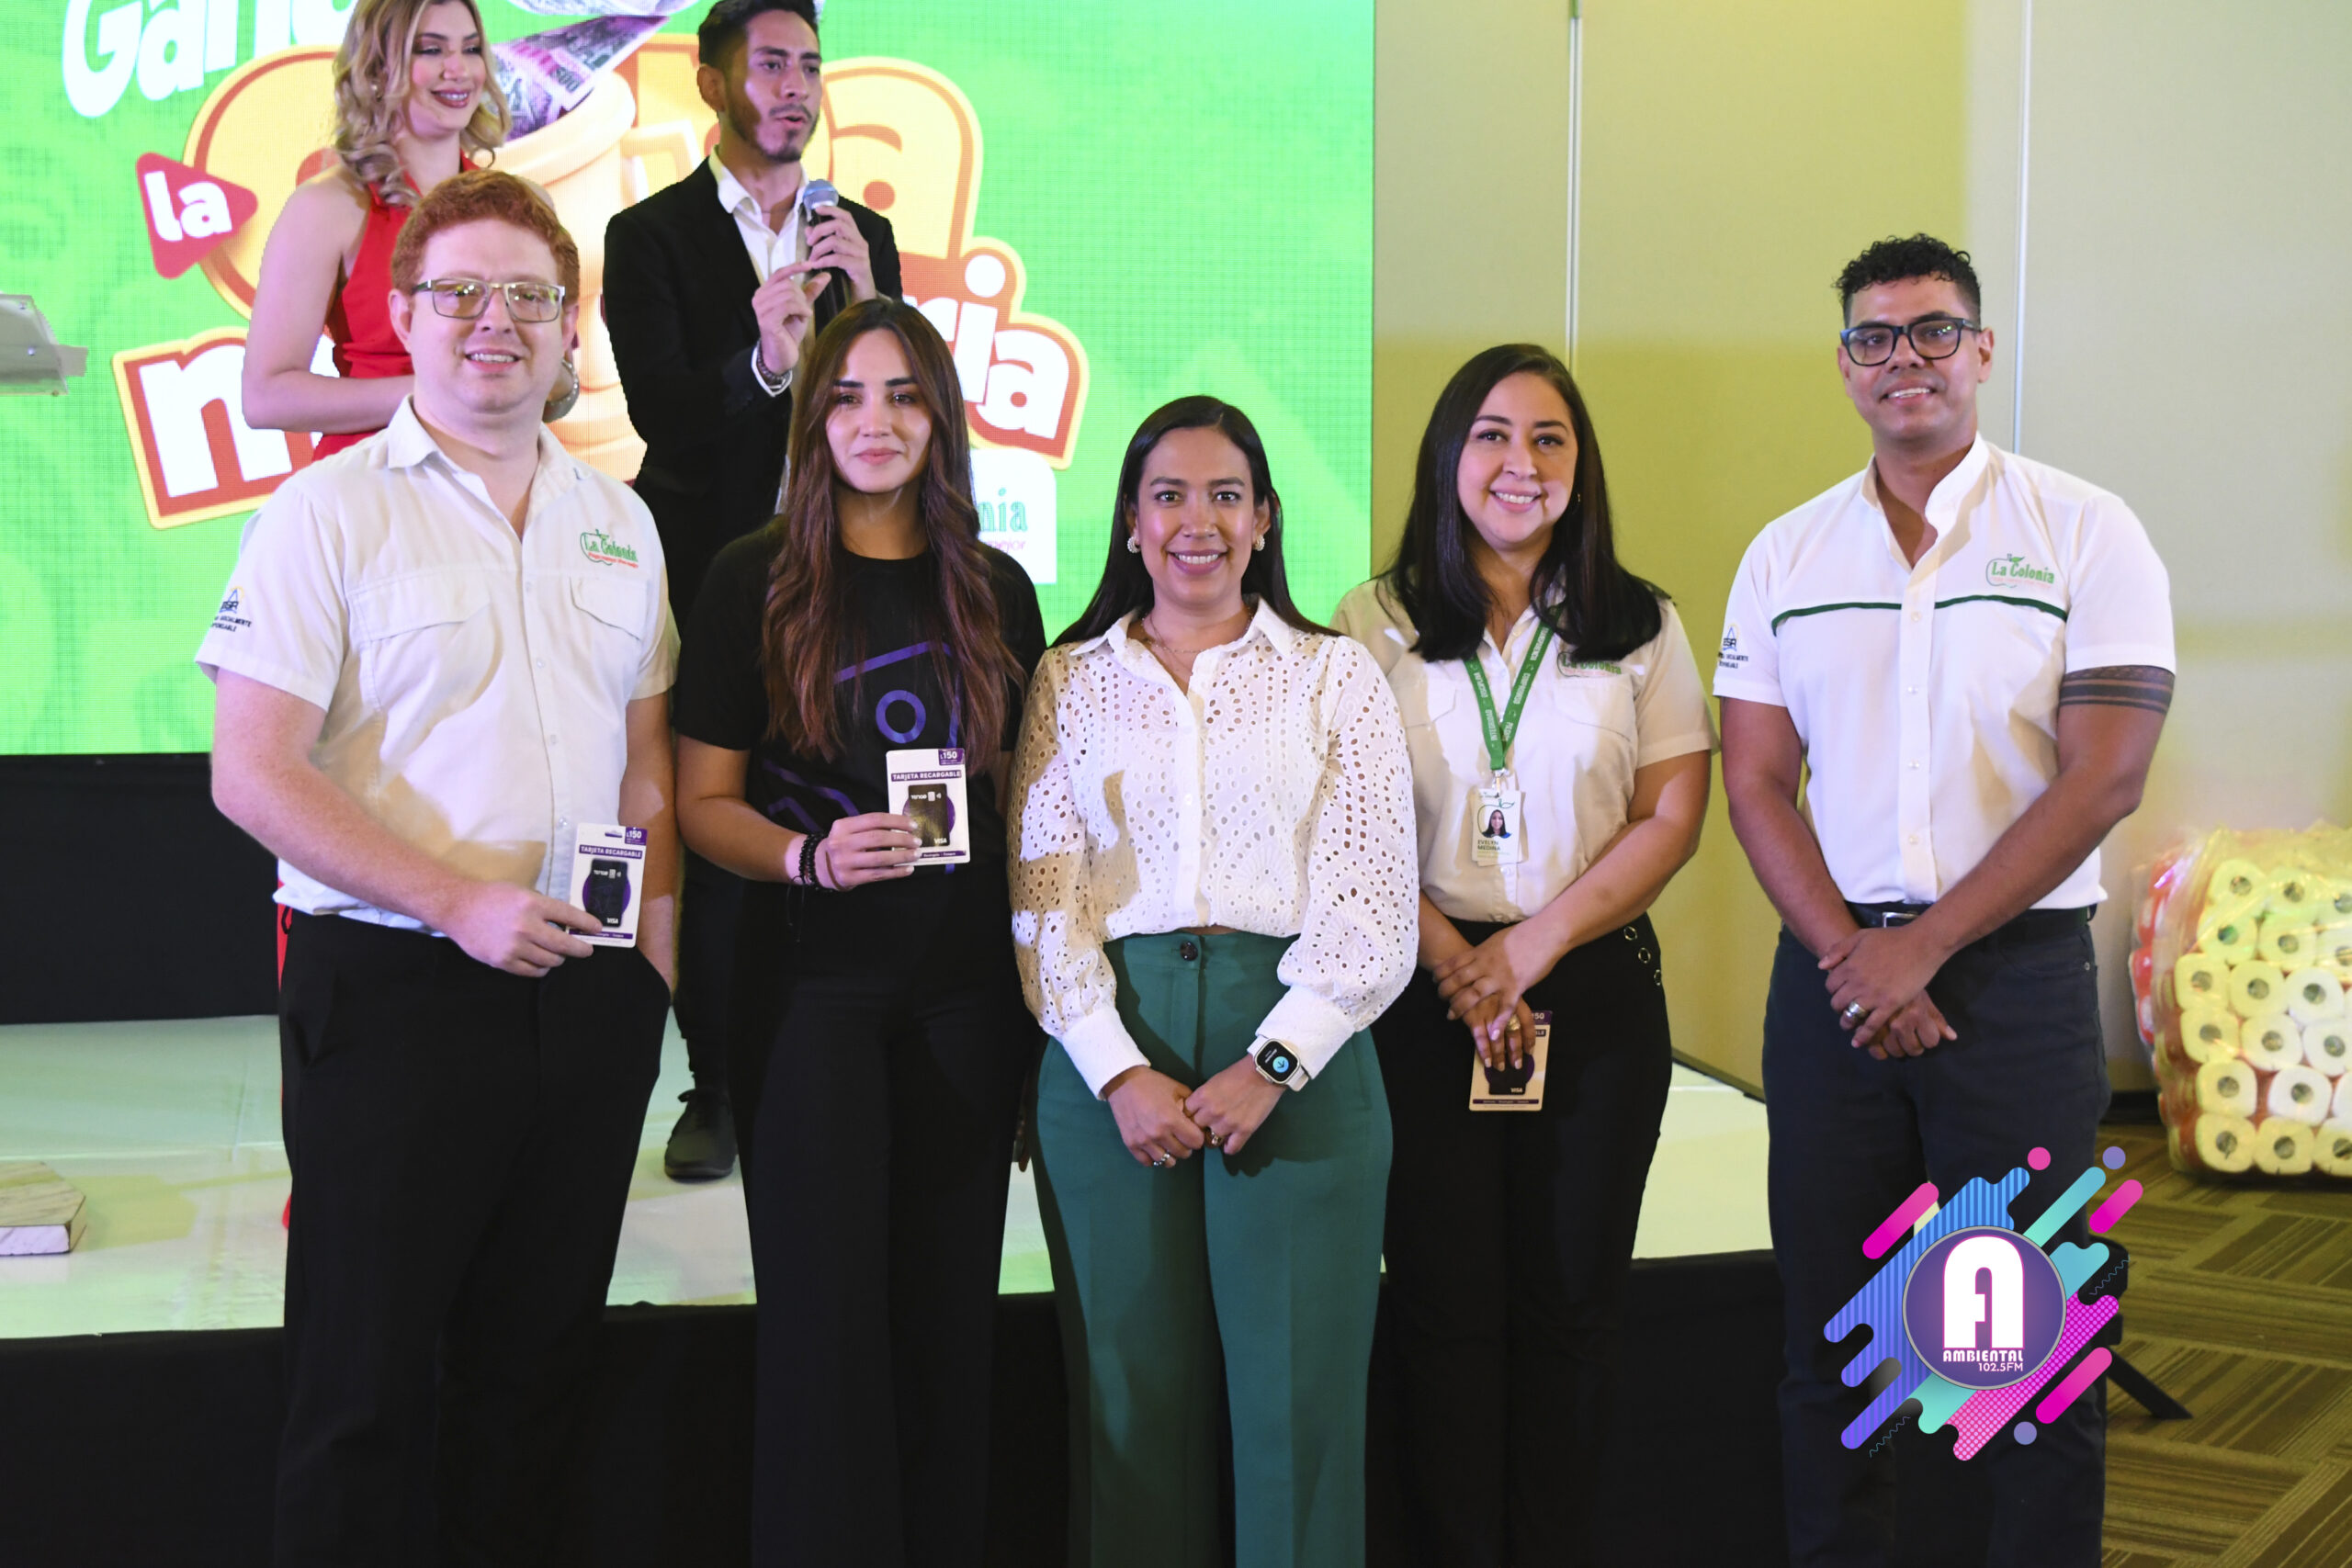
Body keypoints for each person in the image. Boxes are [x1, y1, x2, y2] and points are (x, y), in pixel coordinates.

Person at [200, 170, 678, 1564]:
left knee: (532, 1384)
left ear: (570, 325)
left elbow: (645, 757)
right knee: (360, 1390)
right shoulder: (325, 513)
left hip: (584, 999)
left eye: (529, 295)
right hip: (395, 993)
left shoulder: (620, 520)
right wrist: (455, 901)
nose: (495, 321)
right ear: (402, 314)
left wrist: (648, 966)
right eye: (460, 291)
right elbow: (251, 771)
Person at [1714, 234, 2174, 1566]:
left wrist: (1920, 948)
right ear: (1844, 364)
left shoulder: (2084, 528)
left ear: (1981, 351)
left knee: (2017, 1348)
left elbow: (2105, 775)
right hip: (1834, 984)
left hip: (2010, 985)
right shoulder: (1788, 552)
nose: (1902, 357)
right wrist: (1857, 956)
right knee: (1833, 1337)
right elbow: (1756, 782)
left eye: (1931, 331)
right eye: (1874, 336)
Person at [1008, 396, 1419, 1568]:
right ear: (1131, 523)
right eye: (1170, 496)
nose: (1199, 521)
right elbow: (1043, 898)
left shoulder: (1334, 675)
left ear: (1265, 518)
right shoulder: (1068, 678)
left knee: (1299, 1413)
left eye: (1226, 495)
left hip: (1298, 1050)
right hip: (1109, 1054)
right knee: (1129, 1412)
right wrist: (1116, 1072)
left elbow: (1375, 903)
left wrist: (1272, 1062)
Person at [672, 297, 1043, 1567]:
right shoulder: (752, 577)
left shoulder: (994, 588)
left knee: (949, 1318)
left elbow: (1022, 806)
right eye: (844, 396)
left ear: (940, 416)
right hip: (808, 994)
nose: (874, 422)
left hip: (965, 999)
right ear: (811, 419)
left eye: (902, 394)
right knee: (823, 1329)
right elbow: (701, 805)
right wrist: (805, 856)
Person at [1330, 344, 1714, 1566]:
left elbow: (1672, 814)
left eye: (1550, 438)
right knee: (1441, 1310)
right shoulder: (1373, 621)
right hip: (1420, 989)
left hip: (1588, 987)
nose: (1521, 462)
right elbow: (1344, 818)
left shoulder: (1639, 621)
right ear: (1449, 456)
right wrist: (1459, 962)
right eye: (1492, 435)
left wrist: (1531, 948)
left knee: (1572, 1310)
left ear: (1580, 465)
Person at [605, 0, 904, 1179]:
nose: (794, 87)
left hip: (853, 576)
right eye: (771, 63)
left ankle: (846, 1046)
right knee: (718, 822)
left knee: (845, 802)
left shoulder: (858, 233)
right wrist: (766, 364)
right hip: (714, 576)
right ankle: (715, 1085)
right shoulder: (650, 235)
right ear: (713, 81)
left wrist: (872, 304)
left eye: (810, 67)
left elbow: (904, 407)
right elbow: (662, 418)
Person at [242, 0, 510, 453]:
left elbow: (553, 375)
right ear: (377, 70)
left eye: (470, 49)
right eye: (430, 50)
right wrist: (441, 396)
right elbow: (265, 397)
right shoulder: (328, 207)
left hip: (497, 475)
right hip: (372, 478)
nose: (459, 70)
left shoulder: (514, 206)